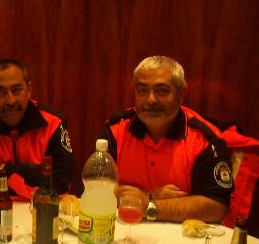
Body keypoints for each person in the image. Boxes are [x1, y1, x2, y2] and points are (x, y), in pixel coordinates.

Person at [100, 55, 234, 224]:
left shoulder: (205, 139)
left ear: (181, 93)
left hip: (183, 237)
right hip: (125, 229)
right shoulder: (115, 129)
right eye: (142, 91)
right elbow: (97, 186)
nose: (151, 99)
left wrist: (150, 206)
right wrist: (151, 195)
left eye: (161, 90)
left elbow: (217, 206)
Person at [0, 59, 76, 201]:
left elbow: (61, 182)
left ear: (29, 89)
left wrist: (6, 170)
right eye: (0, 92)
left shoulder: (53, 123)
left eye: (16, 90)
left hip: (44, 209)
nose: (10, 101)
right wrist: (36, 174)